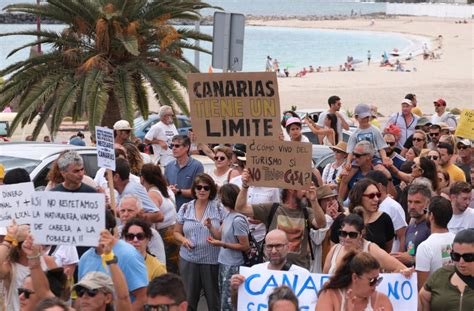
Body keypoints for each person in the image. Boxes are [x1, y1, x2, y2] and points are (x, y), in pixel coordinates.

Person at [235, 169, 326, 269]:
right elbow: (241, 208)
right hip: (273, 269)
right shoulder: (272, 209)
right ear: (291, 189)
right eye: (304, 188)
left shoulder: (307, 212)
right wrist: (245, 186)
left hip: (299, 270)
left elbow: (321, 224)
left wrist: (314, 201)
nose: (307, 192)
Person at [173, 173, 226, 311]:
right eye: (199, 187)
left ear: (211, 190)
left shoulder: (219, 208)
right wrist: (184, 240)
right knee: (188, 301)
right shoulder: (185, 208)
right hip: (189, 259)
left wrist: (210, 227)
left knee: (213, 301)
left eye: (206, 188)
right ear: (194, 189)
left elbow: (221, 237)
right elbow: (176, 232)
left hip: (211, 260)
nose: (202, 190)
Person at [79, 210, 148, 310]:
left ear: (106, 230)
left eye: (89, 229)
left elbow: (143, 297)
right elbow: (80, 298)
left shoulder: (128, 254)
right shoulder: (84, 258)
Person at [229, 230, 309, 308]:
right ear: (264, 248)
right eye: (269, 246)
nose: (273, 251)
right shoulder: (254, 272)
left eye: (278, 246)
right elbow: (239, 306)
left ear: (288, 247)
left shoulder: (303, 275)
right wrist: (235, 290)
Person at [206, 184, 249, 310]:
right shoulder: (228, 215)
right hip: (224, 263)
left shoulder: (238, 219)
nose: (219, 200)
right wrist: (210, 227)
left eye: (221, 197)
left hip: (234, 265)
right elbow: (220, 236)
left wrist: (222, 245)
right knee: (224, 299)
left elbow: (244, 245)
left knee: (230, 301)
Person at [0, 221, 56, 310]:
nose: (35, 243)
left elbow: (59, 292)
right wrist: (8, 240)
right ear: (19, 246)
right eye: (30, 240)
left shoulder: (48, 261)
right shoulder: (11, 267)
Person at [419, 229, 474, 311]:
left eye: (468, 257)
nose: (461, 262)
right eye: (456, 256)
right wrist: (407, 278)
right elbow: (422, 299)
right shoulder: (441, 274)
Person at [317, 251, 393, 311]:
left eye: (378, 280)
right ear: (355, 278)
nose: (375, 285)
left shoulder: (382, 301)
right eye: (372, 280)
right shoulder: (329, 296)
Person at [140, 163, 178, 273]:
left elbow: (155, 216)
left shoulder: (152, 194)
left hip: (163, 236)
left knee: (165, 269)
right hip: (172, 232)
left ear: (143, 178)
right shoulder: (166, 189)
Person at [415, 196, 455, 291]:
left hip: (435, 301)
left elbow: (422, 288)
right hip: (457, 299)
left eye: (426, 211)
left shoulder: (425, 247)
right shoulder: (458, 240)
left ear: (431, 216)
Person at [348, 179, 395, 252]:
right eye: (371, 196)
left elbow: (387, 250)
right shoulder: (346, 220)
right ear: (359, 197)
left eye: (378, 195)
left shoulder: (384, 218)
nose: (376, 199)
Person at [117, 194, 166, 264]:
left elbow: (160, 263)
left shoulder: (151, 234)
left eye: (130, 210)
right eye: (122, 211)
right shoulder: (116, 232)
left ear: (140, 212)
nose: (125, 214)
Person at [392, 183, 432, 266]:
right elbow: (403, 255)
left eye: (417, 202)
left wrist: (413, 259)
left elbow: (439, 255)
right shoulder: (409, 228)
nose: (412, 206)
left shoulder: (432, 227)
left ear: (427, 203)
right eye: (410, 202)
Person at [366, 171, 407, 252]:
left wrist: (399, 259)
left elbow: (403, 236)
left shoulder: (393, 207)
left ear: (379, 186)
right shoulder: (369, 206)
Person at [113, 158, 163, 224]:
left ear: (116, 177)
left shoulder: (132, 190)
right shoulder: (123, 190)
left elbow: (159, 216)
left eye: (106, 174)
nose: (104, 177)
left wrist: (134, 217)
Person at [310, 185, 345, 273]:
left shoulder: (345, 214)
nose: (331, 202)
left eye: (333, 199)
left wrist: (339, 218)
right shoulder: (313, 218)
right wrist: (328, 218)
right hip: (322, 263)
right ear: (320, 203)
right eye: (327, 200)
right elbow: (317, 239)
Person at [165, 135, 204, 210]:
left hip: (190, 212)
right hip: (172, 211)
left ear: (186, 147)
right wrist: (168, 189)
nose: (173, 148)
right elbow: (164, 187)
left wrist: (178, 191)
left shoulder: (197, 166)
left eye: (177, 146)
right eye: (172, 146)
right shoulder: (169, 166)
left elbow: (199, 191)